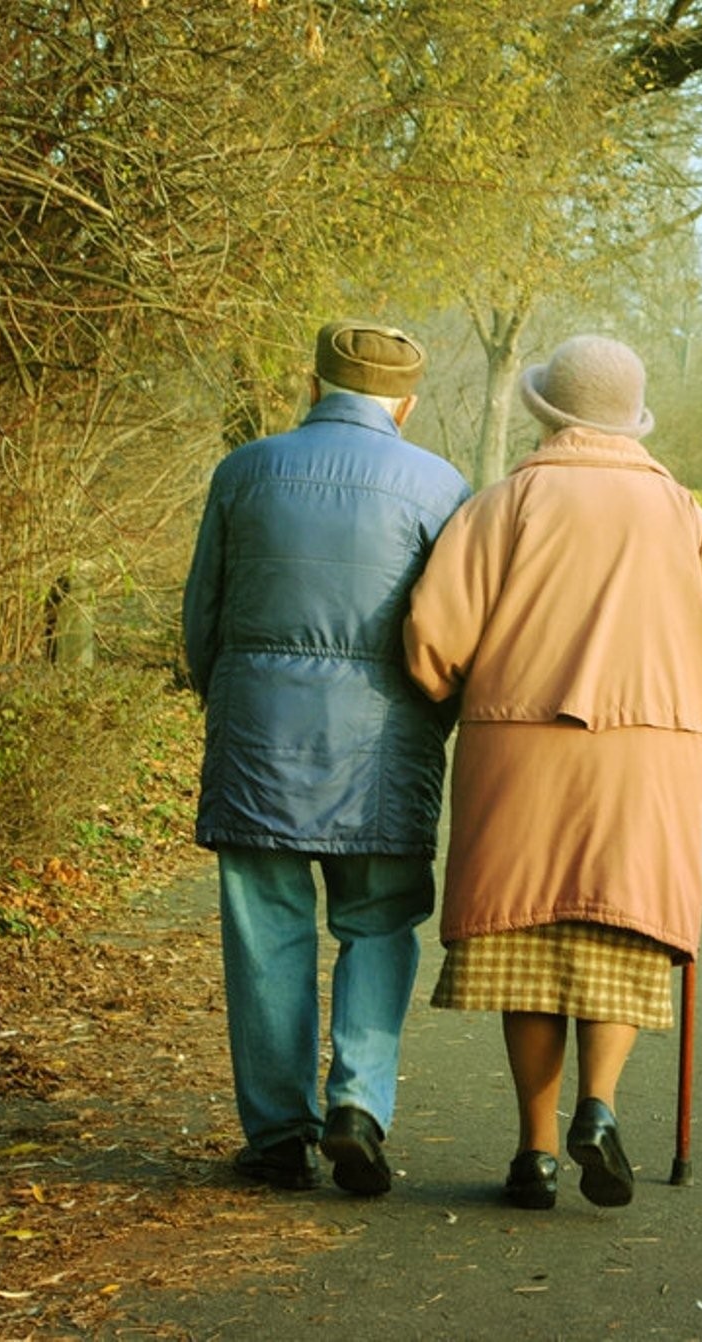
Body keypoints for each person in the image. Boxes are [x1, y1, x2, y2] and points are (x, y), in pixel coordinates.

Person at [403, 334, 702, 1210]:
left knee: (528, 942)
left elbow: (432, 633)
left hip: (519, 748)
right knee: (621, 929)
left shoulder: (509, 502)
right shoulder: (681, 511)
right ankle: (600, 1111)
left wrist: (445, 689)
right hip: (651, 754)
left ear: (547, 410)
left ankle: (534, 1153)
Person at [183, 320, 471, 1195]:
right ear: (407, 404)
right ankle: (357, 1105)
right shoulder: (441, 486)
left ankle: (277, 1135)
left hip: (259, 738)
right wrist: (437, 722)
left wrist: (224, 700)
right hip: (384, 749)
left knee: (267, 935)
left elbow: (203, 616)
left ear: (313, 388)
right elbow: (452, 632)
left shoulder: (244, 471)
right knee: (378, 924)